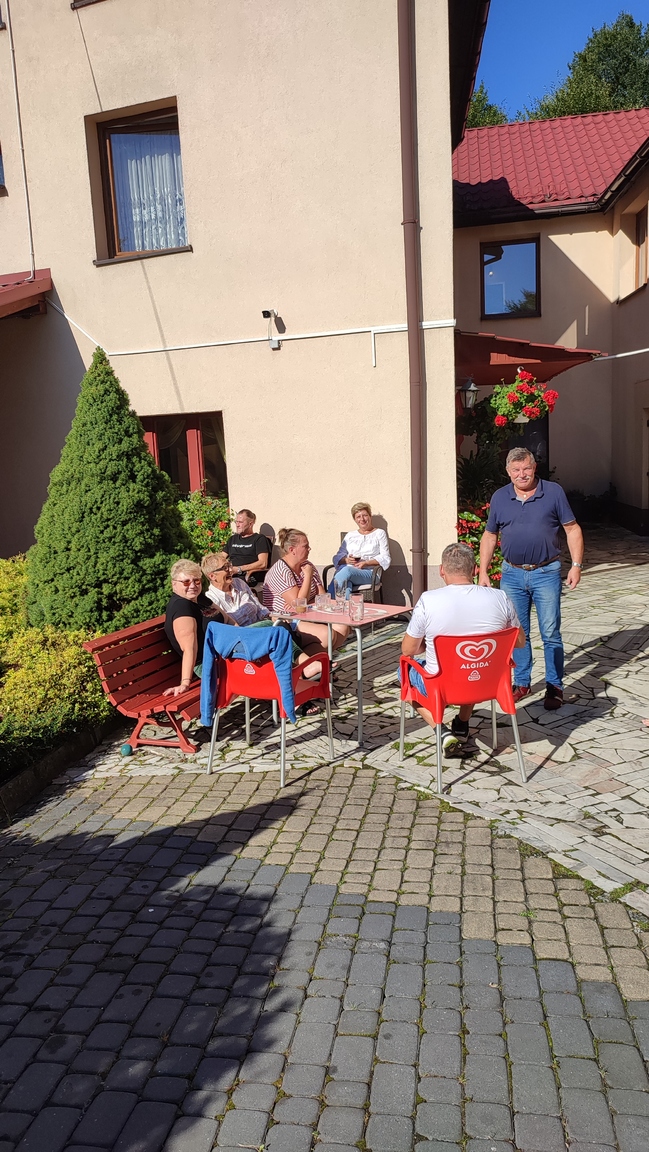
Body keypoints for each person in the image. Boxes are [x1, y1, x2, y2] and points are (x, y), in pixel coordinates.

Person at [478, 446, 584, 711]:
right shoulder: (500, 497)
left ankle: (554, 686)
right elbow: (490, 535)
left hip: (546, 572)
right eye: (516, 470)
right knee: (516, 632)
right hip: (512, 574)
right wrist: (483, 571)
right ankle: (522, 682)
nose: (522, 474)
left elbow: (572, 529)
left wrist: (576, 566)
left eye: (526, 468)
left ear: (534, 468)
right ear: (508, 471)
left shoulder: (553, 492)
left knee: (550, 632)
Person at [401, 542, 525, 745]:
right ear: (475, 570)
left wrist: (427, 645)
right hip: (488, 681)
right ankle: (461, 723)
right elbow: (519, 642)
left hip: (441, 686)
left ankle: (441, 731)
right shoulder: (500, 597)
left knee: (403, 671)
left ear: (442, 570)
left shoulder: (428, 601)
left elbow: (408, 650)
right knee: (472, 665)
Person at [263, 528, 350, 656]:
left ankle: (317, 661)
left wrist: (305, 602)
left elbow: (323, 597)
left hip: (309, 615)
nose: (309, 549)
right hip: (286, 620)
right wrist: (308, 576)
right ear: (292, 550)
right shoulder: (280, 570)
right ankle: (301, 664)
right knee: (328, 635)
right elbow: (299, 604)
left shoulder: (307, 565)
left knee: (343, 628)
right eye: (305, 546)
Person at [164, 559, 222, 698]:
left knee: (267, 629)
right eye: (186, 582)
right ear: (174, 584)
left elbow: (227, 619)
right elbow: (189, 648)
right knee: (269, 629)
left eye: (196, 581)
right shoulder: (182, 607)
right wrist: (185, 683)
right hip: (209, 664)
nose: (192, 586)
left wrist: (242, 635)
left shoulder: (200, 599)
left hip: (225, 652)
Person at [330, 502, 391, 598]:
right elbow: (338, 556)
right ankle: (345, 606)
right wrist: (346, 560)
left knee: (346, 572)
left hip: (370, 573)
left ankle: (329, 600)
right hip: (349, 572)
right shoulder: (350, 535)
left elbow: (385, 557)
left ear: (370, 516)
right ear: (355, 519)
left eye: (365, 515)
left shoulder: (379, 533)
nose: (362, 519)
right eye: (358, 517)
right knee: (346, 585)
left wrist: (366, 563)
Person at [202, 552, 272, 626]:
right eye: (225, 568)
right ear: (212, 576)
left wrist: (270, 616)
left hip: (260, 626)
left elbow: (259, 607)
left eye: (229, 565)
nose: (230, 570)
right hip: (240, 632)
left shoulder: (239, 583)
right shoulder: (211, 599)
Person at [224, 509, 271, 587]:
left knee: (228, 584)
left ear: (250, 524)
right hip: (230, 574)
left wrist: (239, 569)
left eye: (240, 522)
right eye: (236, 522)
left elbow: (263, 563)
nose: (237, 525)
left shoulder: (259, 539)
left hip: (247, 576)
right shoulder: (233, 539)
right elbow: (221, 557)